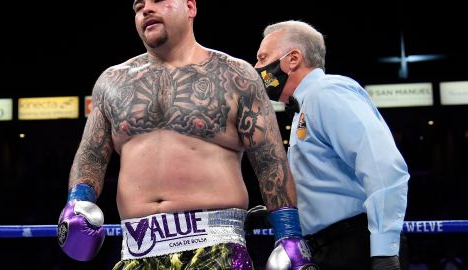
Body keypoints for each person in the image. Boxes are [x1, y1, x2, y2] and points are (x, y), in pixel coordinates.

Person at [56, 1, 317, 270]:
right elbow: (92, 154)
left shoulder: (236, 75)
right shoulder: (111, 83)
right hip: (136, 251)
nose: (146, 10)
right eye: (138, 6)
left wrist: (289, 234)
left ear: (190, 7)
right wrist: (77, 201)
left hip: (216, 248)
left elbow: (270, 161)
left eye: (158, 0)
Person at [251, 20, 410, 270]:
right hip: (331, 247)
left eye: (262, 58)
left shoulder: (328, 92)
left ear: (292, 59)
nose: (257, 67)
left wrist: (384, 251)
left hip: (356, 245)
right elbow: (325, 180)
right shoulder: (304, 107)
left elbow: (383, 168)